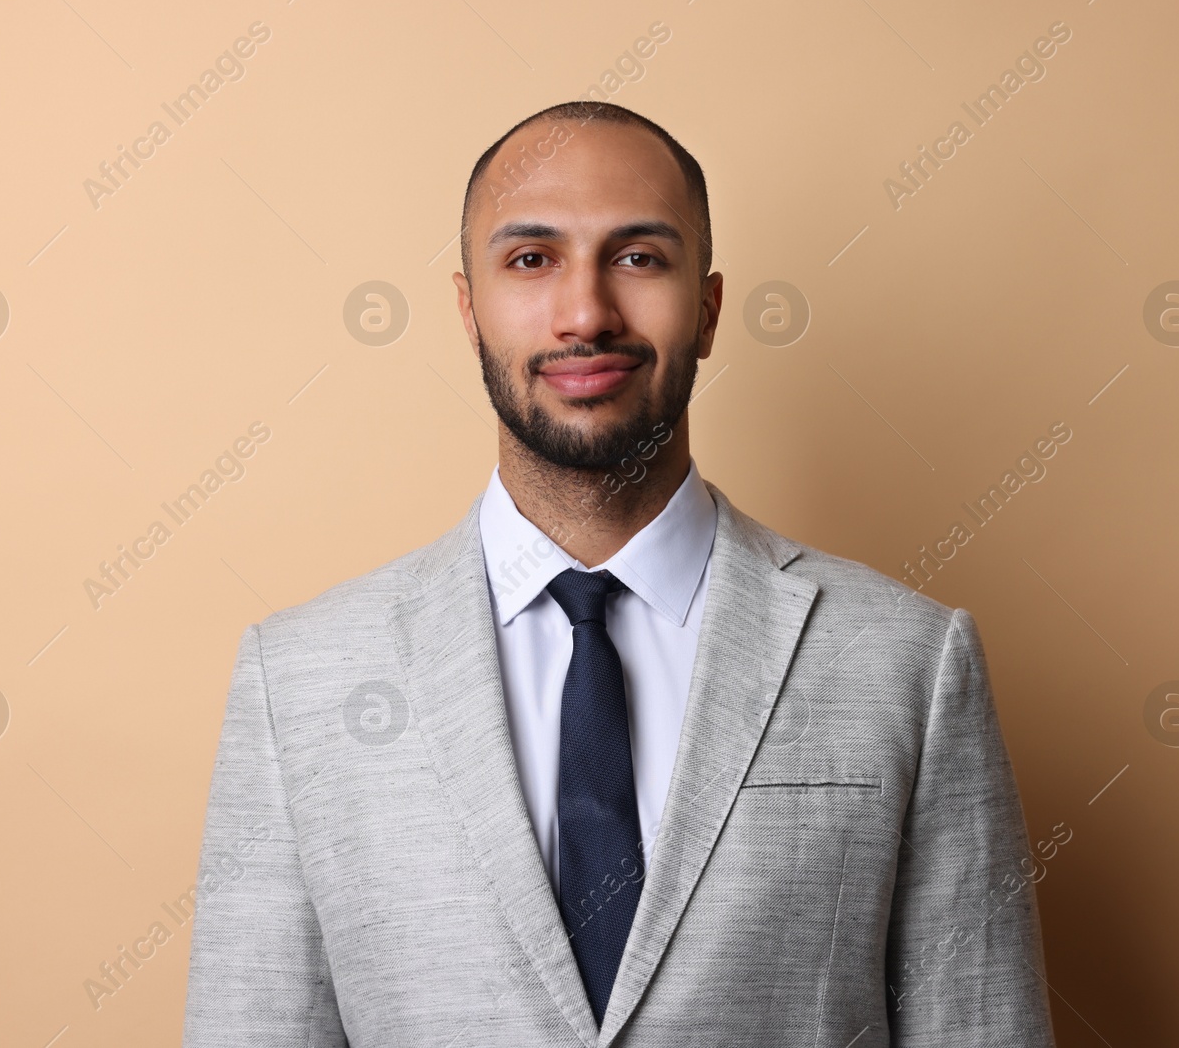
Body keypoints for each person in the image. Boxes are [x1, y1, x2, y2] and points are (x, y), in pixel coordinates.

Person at [181, 99, 1056, 1047]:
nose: (586, 313)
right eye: (531, 260)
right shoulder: (298, 679)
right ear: (469, 312)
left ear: (709, 310)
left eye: (639, 257)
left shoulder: (908, 662)